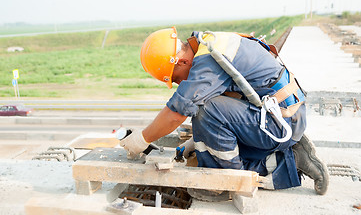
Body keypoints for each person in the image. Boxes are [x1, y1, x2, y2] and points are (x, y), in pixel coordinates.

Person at [119, 26, 329, 200]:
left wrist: (143, 138)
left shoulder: (207, 61)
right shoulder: (210, 44)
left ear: (182, 62)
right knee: (206, 113)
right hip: (285, 116)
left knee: (205, 111)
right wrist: (197, 141)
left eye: (175, 78)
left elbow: (177, 112)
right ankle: (293, 154)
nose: (179, 84)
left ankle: (223, 183)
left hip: (280, 122)